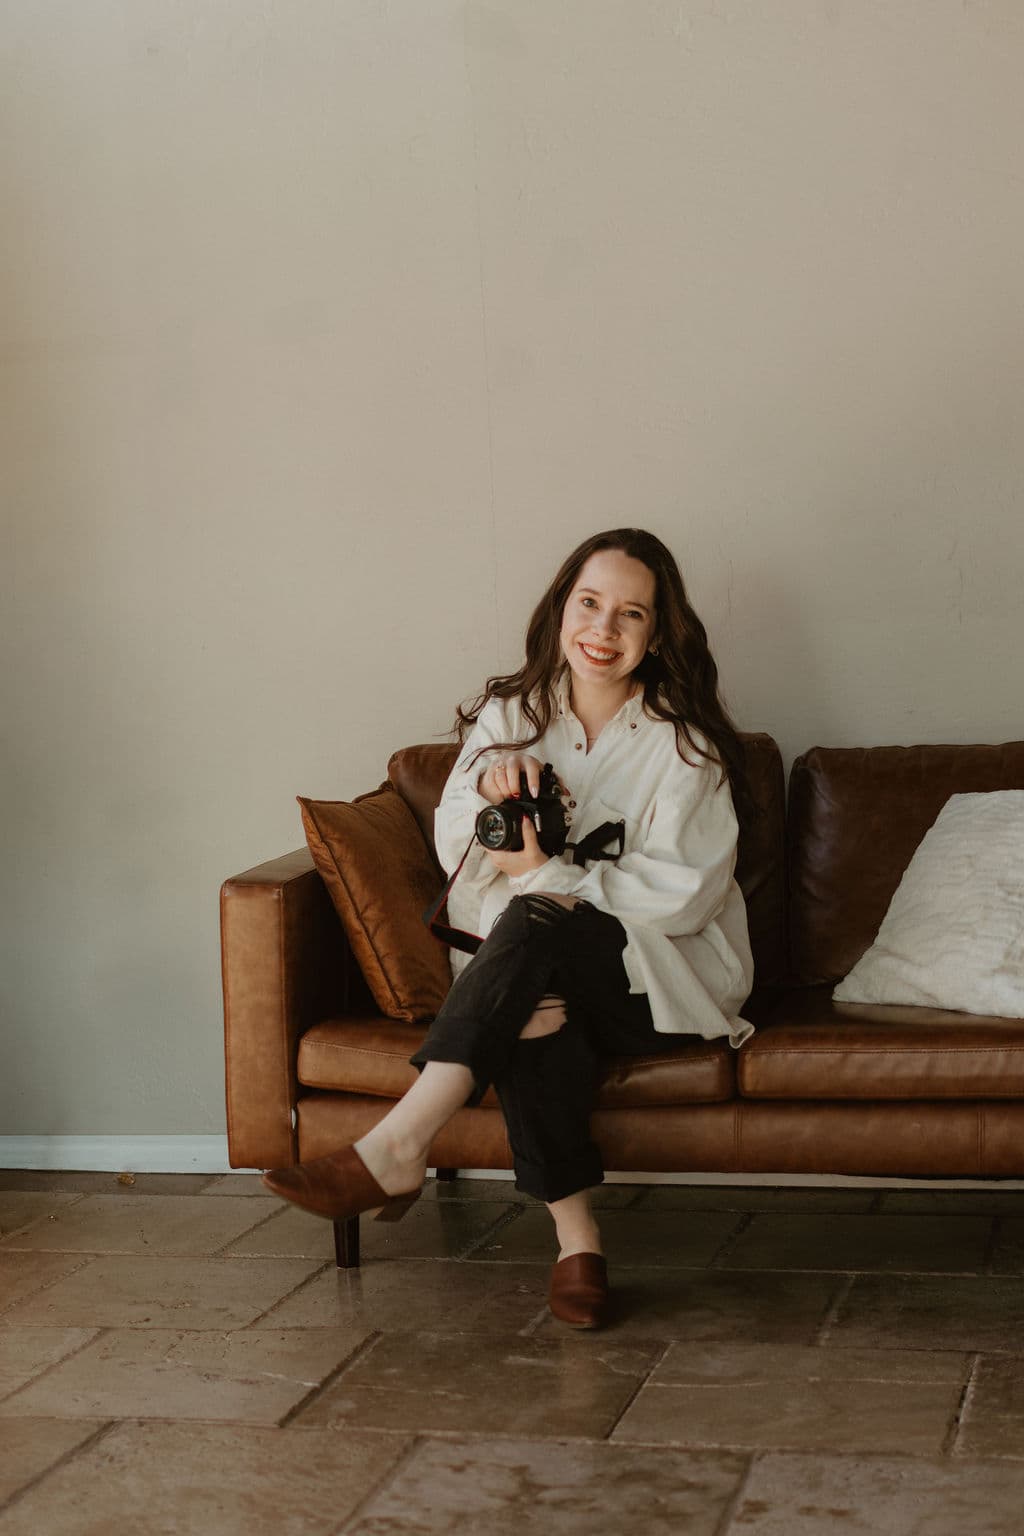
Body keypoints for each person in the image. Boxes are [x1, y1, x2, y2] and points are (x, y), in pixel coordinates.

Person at [263, 528, 755, 1328]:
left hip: (656, 983)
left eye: (631, 614)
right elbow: (457, 846)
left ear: (659, 635)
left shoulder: (684, 746)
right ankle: (578, 1245)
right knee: (532, 1007)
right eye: (589, 603)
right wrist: (492, 789)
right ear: (561, 609)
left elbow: (683, 899)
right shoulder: (510, 716)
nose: (603, 629)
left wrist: (543, 875)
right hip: (536, 971)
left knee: (537, 916)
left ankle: (399, 1146)